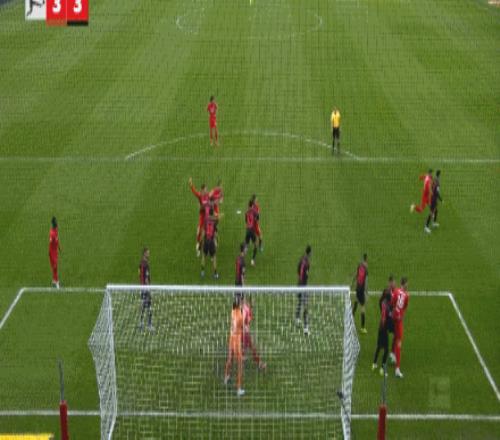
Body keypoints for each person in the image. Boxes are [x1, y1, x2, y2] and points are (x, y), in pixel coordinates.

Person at [372, 276, 396, 376]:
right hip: (384, 328)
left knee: (379, 346)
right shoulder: (388, 308)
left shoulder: (382, 303)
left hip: (380, 328)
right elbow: (387, 317)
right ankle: (382, 368)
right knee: (386, 349)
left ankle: (374, 364)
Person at [224, 298, 245, 396]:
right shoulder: (240, 316)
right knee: (240, 364)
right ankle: (238, 388)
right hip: (237, 340)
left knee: (230, 359)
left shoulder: (232, 311)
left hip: (231, 337)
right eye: (241, 302)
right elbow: (243, 327)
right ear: (239, 303)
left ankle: (226, 377)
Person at [391, 277, 409, 378]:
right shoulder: (406, 295)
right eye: (407, 284)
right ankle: (397, 369)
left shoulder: (396, 291)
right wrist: (401, 315)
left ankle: (392, 354)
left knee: (395, 336)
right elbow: (405, 307)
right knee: (399, 342)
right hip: (398, 321)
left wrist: (395, 312)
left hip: (393, 318)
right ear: (404, 284)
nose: (408, 285)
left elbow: (392, 303)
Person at [242, 295, 266, 370]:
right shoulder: (246, 309)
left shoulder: (246, 308)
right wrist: (245, 329)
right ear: (250, 301)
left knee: (247, 347)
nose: (254, 302)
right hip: (244, 333)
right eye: (253, 301)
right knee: (252, 348)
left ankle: (242, 357)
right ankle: (260, 364)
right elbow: (243, 321)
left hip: (243, 332)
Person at [189, 177, 210, 257]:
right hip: (202, 216)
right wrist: (191, 184)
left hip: (207, 216)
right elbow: (194, 192)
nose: (206, 190)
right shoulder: (200, 196)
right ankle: (198, 246)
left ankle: (208, 246)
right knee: (199, 232)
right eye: (205, 189)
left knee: (208, 233)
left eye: (206, 189)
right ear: (202, 190)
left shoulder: (208, 196)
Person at [295, 245, 312, 336]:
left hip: (299, 284)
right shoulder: (307, 263)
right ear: (310, 253)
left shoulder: (301, 258)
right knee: (306, 306)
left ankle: (297, 318)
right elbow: (305, 276)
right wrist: (304, 285)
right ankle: (306, 329)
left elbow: (298, 270)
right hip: (303, 286)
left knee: (300, 301)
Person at [352, 253, 368, 334]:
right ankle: (362, 327)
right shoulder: (366, 268)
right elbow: (366, 281)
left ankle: (350, 319)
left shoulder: (359, 265)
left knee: (356, 301)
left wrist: (352, 283)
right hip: (361, 290)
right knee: (363, 307)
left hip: (357, 288)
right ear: (366, 259)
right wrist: (366, 291)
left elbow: (356, 275)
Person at [201, 207, 219, 279]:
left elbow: (203, 232)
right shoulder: (214, 222)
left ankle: (202, 272)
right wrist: (217, 241)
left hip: (206, 241)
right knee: (214, 257)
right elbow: (215, 234)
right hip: (211, 241)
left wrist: (201, 241)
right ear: (213, 213)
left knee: (203, 256)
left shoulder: (205, 221)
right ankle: (215, 274)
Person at [139, 247, 153, 331]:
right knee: (149, 306)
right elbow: (146, 278)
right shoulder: (146, 265)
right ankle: (149, 324)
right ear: (144, 253)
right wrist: (148, 289)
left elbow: (140, 275)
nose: (149, 254)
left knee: (144, 306)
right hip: (145, 287)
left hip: (141, 287)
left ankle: (141, 323)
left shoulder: (141, 263)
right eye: (148, 253)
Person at [244, 201, 258, 266]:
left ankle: (242, 258)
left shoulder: (246, 212)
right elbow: (257, 218)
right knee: (255, 245)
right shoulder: (254, 211)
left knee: (246, 245)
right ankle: (252, 260)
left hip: (247, 230)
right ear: (252, 205)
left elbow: (246, 221)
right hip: (252, 230)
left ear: (248, 205)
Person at [49, 216, 61, 288]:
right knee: (55, 266)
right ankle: (56, 281)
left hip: (54, 251)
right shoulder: (52, 233)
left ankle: (54, 280)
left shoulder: (55, 230)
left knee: (55, 266)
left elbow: (57, 239)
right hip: (52, 252)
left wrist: (59, 247)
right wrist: (53, 241)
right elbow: (52, 241)